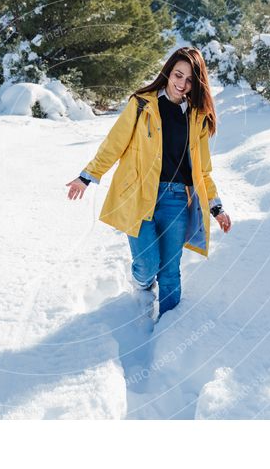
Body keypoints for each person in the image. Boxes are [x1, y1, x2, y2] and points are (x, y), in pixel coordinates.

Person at [65, 47, 231, 321]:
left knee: (170, 271)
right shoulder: (142, 104)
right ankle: (142, 286)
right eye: (178, 75)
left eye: (190, 80)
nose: (182, 84)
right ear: (168, 72)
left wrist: (217, 207)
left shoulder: (197, 117)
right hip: (140, 195)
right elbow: (114, 144)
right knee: (147, 264)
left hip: (177, 200)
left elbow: (204, 171)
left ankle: (169, 328)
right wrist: (87, 176)